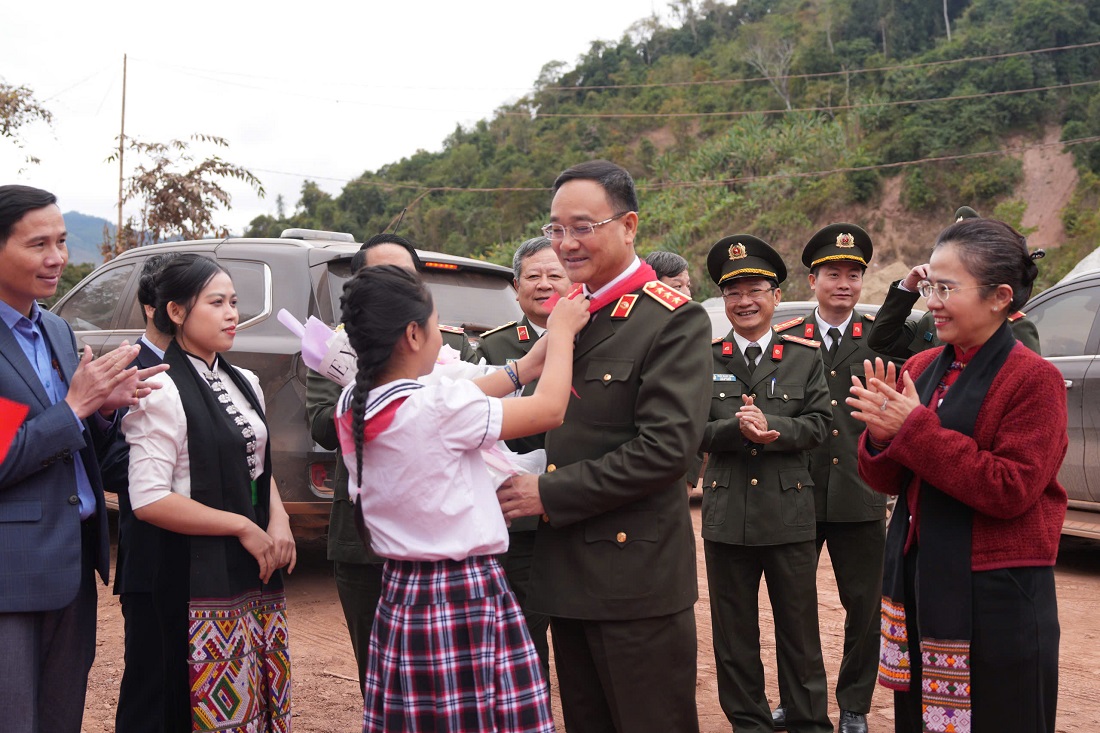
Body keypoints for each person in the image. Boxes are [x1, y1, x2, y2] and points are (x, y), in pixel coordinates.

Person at [497, 160, 713, 733]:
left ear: (628, 225)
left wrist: (549, 492)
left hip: (633, 579)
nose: (566, 244)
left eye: (582, 226)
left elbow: (666, 451)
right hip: (568, 574)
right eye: (555, 228)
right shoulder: (571, 318)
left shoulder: (672, 321)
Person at [335, 264, 589, 731]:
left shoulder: (354, 400)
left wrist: (527, 365)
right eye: (435, 324)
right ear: (413, 334)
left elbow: (456, 395)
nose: (441, 334)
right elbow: (550, 409)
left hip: (405, 593)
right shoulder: (438, 409)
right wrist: (565, 332)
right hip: (463, 592)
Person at [849, 217, 1066, 733]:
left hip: (996, 597)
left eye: (947, 288)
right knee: (920, 719)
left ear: (999, 297)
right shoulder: (924, 365)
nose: (932, 302)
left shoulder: (1035, 379)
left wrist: (913, 429)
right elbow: (890, 481)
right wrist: (882, 439)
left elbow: (1010, 488)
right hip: (921, 581)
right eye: (930, 287)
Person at [0, 184, 165, 733]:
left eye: (63, 242)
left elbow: (73, 440)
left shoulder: (55, 330)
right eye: (38, 244)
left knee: (60, 716)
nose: (57, 258)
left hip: (72, 560)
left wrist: (101, 411)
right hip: (13, 570)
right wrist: (76, 406)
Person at [123, 253, 296, 732]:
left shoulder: (246, 382)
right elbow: (150, 499)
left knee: (248, 690)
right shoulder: (158, 390)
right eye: (216, 302)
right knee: (178, 701)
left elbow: (258, 465)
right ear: (176, 312)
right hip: (183, 571)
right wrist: (244, 525)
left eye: (234, 302)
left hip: (245, 566)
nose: (231, 314)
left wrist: (276, 520)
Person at [306, 232, 477, 697]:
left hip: (438, 537)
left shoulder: (445, 346)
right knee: (380, 680)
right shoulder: (335, 348)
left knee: (447, 680)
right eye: (377, 275)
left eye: (401, 275)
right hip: (363, 540)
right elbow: (323, 423)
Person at [700, 234, 833, 733]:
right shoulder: (705, 357)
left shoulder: (802, 354)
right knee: (733, 635)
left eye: (756, 289)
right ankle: (749, 723)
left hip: (788, 513)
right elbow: (689, 430)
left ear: (776, 296)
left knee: (799, 632)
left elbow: (821, 424)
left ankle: (809, 723)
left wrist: (777, 430)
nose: (745, 301)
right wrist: (733, 430)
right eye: (734, 292)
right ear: (723, 300)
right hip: (726, 513)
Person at [772, 224, 884, 733]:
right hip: (798, 488)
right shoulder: (787, 338)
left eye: (854, 275)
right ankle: (799, 701)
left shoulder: (881, 336)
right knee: (794, 606)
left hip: (860, 488)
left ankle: (855, 705)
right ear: (812, 279)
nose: (845, 283)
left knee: (864, 606)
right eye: (833, 274)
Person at [470, 234, 571, 674]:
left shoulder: (599, 338)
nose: (545, 284)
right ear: (516, 286)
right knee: (524, 641)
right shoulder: (494, 349)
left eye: (555, 274)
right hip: (520, 521)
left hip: (579, 507)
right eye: (534, 276)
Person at [96, 253, 179, 733]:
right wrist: (171, 470)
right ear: (155, 309)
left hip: (210, 557)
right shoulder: (126, 368)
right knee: (149, 685)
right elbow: (103, 462)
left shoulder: (220, 373)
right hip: (150, 555)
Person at [867, 206, 1040, 358]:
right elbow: (882, 340)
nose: (932, 303)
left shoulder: (1014, 329)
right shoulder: (932, 322)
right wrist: (908, 289)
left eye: (948, 288)